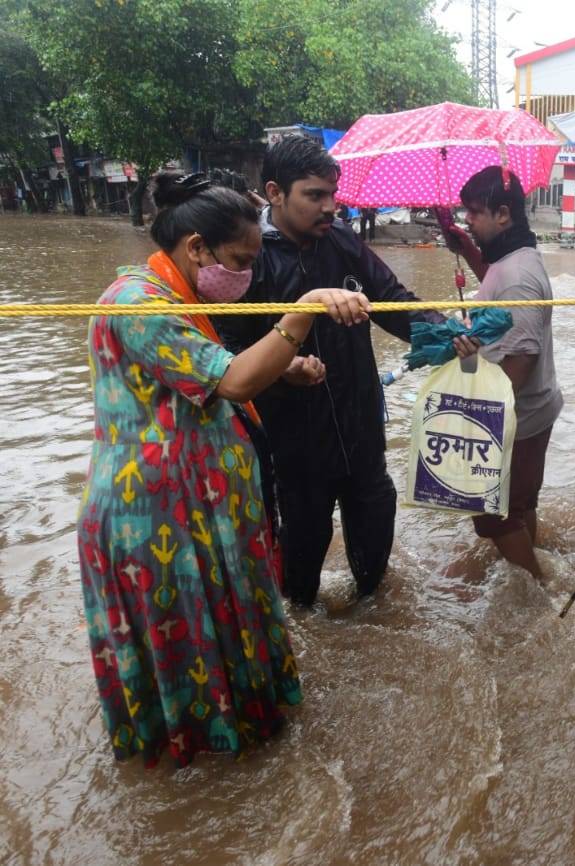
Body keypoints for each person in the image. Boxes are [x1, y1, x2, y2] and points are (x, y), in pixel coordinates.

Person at [78, 170, 371, 766]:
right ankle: (204, 770)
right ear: (196, 249)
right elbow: (233, 379)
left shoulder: (176, 294)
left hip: (197, 508)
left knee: (224, 642)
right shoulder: (138, 304)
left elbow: (199, 377)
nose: (243, 274)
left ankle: (242, 740)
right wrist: (304, 311)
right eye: (239, 259)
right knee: (190, 653)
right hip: (158, 522)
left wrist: (282, 367)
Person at [218, 135, 449, 608]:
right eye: (315, 195)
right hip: (294, 443)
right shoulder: (248, 258)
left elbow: (393, 300)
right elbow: (227, 351)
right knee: (300, 569)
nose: (329, 207)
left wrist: (447, 333)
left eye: (333, 194)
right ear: (276, 192)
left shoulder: (342, 240)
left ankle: (369, 629)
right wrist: (285, 367)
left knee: (374, 554)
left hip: (360, 427)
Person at [447, 167, 563, 582]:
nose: (468, 222)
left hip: (519, 412)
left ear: (502, 215)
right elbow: (500, 303)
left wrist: (484, 416)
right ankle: (529, 570)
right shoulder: (513, 260)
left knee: (492, 515)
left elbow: (523, 354)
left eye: (473, 214)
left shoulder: (516, 276)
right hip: (534, 408)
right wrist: (466, 247)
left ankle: (536, 587)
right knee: (520, 504)